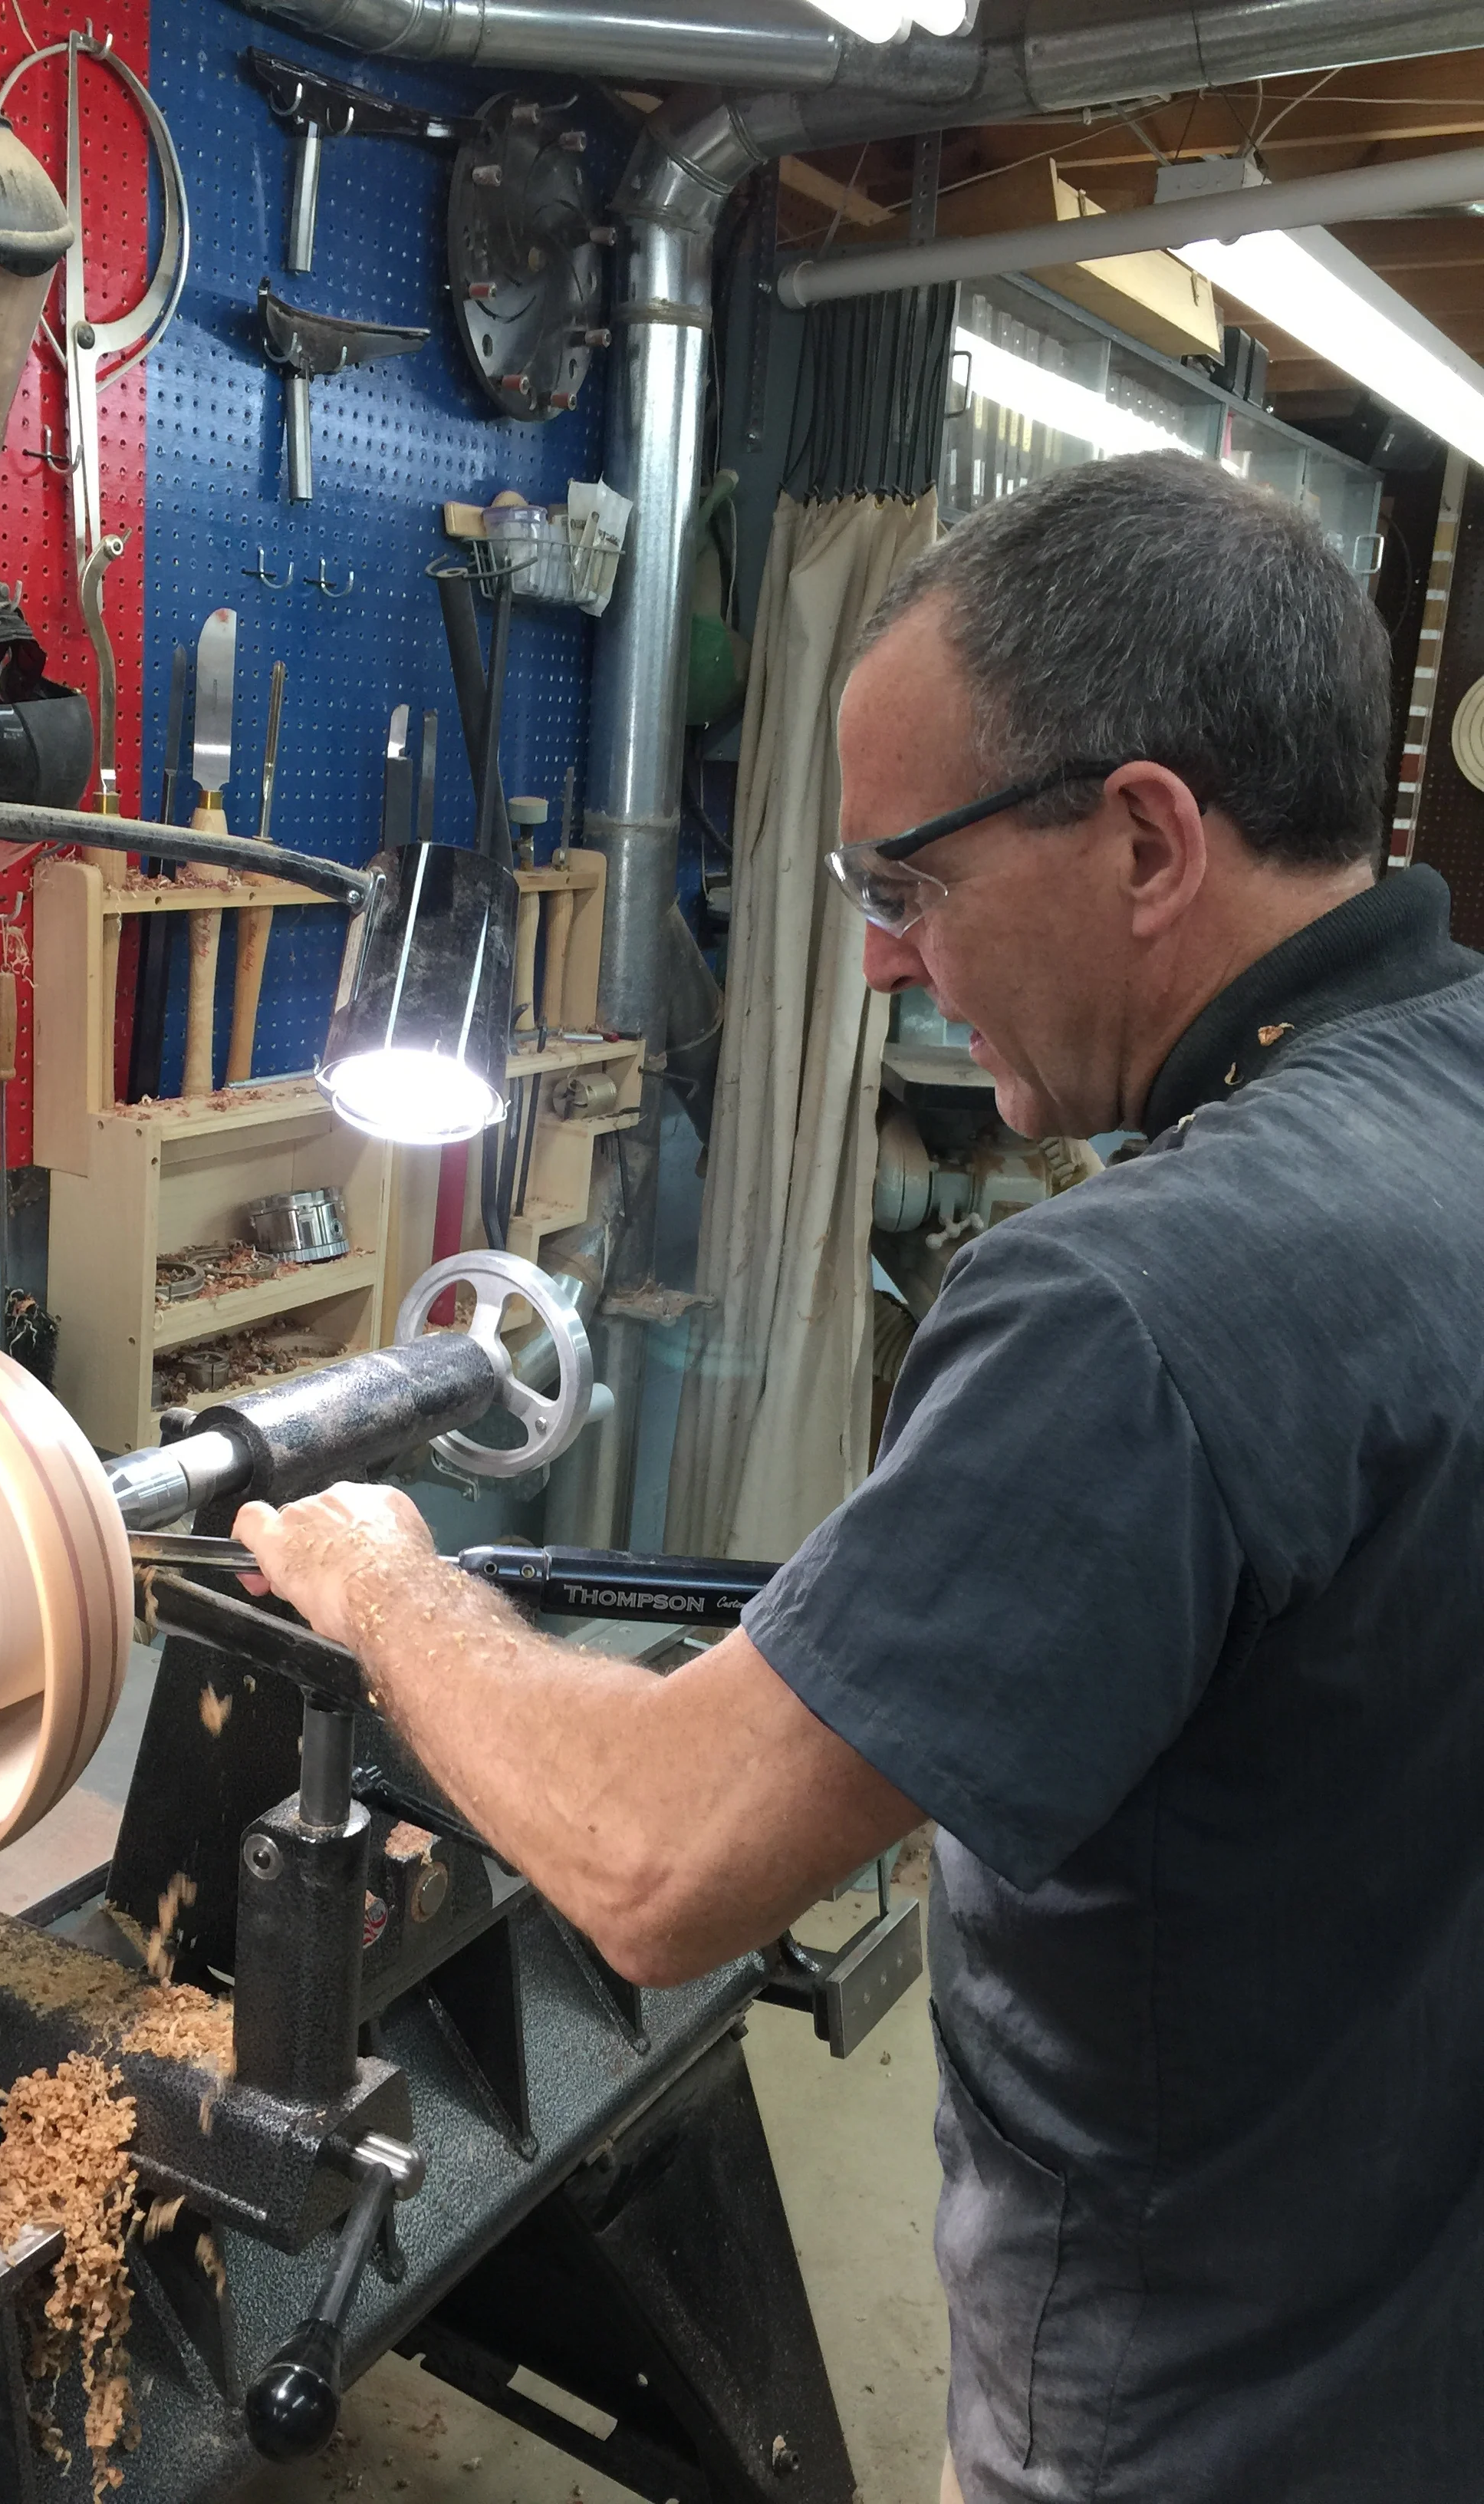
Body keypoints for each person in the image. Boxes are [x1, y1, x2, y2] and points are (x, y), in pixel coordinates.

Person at [235, 451, 1484, 2504]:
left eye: (904, 888)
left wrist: (384, 1582)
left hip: (1210, 2427)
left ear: (1150, 839)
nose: (887, 964)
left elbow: (654, 1868)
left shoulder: (1135, 1307)